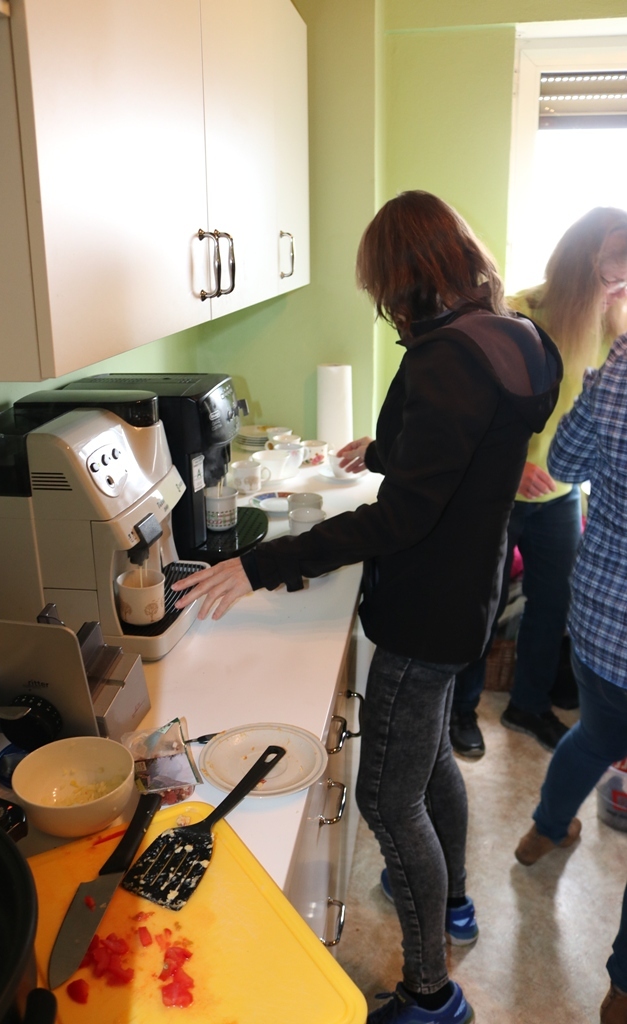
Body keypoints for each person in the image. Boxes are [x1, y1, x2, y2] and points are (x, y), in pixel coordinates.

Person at [172, 190, 561, 1024]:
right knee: (427, 761)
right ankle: (451, 898)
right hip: (471, 589)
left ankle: (429, 992)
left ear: (403, 277)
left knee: (388, 800)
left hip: (424, 608)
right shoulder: (516, 337)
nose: (384, 306)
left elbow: (402, 518)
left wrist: (262, 563)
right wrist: (386, 449)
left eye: (382, 288)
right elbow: (470, 448)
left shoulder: (444, 358)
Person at [450, 208, 627, 760]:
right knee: (482, 604)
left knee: (554, 604)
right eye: (610, 280)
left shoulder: (613, 325)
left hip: (560, 495)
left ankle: (527, 705)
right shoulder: (516, 317)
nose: (618, 293)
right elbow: (470, 415)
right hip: (502, 491)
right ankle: (462, 709)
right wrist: (512, 465)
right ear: (579, 270)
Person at [513, 332, 627, 1024]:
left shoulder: (619, 369)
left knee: (593, 735)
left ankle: (544, 830)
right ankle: (623, 990)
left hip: (605, 619)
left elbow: (564, 462)